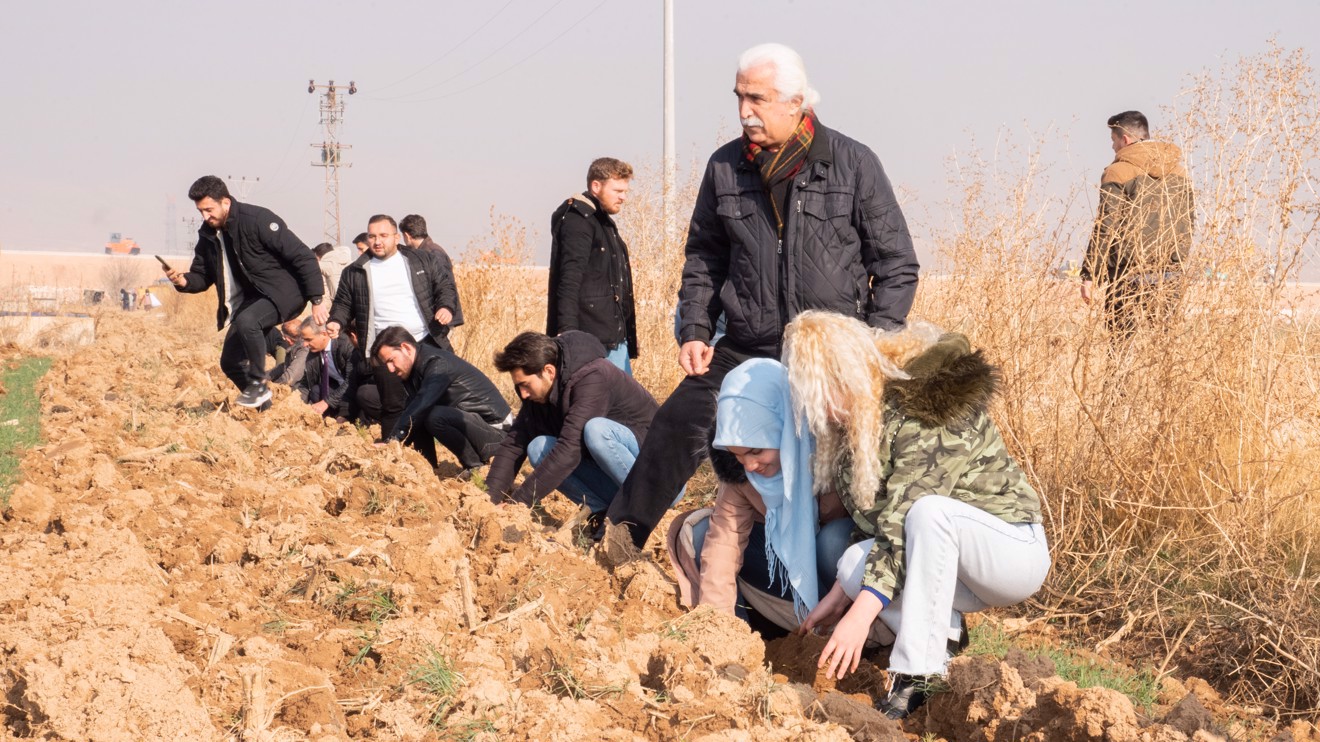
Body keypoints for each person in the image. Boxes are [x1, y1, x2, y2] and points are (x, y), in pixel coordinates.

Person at [603, 43, 920, 553]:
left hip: (828, 353)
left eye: (758, 99)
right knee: (679, 420)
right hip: (745, 344)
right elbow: (705, 256)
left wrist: (870, 347)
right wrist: (696, 329)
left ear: (796, 102)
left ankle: (851, 567)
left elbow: (896, 263)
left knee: (835, 466)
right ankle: (619, 540)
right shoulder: (725, 167)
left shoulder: (853, 164)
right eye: (739, 97)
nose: (745, 111)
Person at [777, 311, 1049, 720]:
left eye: (823, 393)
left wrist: (860, 615)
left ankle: (917, 673)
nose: (824, 411)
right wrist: (840, 595)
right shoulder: (862, 419)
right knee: (850, 563)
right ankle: (946, 634)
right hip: (948, 559)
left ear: (848, 374)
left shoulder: (924, 407)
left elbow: (908, 515)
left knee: (928, 513)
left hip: (1010, 552)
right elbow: (879, 522)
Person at [666, 377, 856, 636]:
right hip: (784, 573)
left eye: (756, 451)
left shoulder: (834, 449)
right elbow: (725, 540)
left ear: (782, 430)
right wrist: (718, 628)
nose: (750, 465)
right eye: (738, 455)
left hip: (843, 580)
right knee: (699, 534)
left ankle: (851, 627)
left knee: (833, 541)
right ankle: (749, 633)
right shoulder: (740, 474)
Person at [165, 175, 327, 408]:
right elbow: (202, 275)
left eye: (209, 210)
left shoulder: (258, 220)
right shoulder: (208, 234)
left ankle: (259, 384)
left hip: (285, 292)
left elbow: (303, 256)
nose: (205, 216)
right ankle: (264, 408)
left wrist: (317, 299)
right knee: (230, 362)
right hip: (252, 300)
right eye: (201, 211)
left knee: (247, 322)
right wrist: (183, 281)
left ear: (225, 202)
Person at [485, 331, 658, 523]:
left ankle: (640, 508)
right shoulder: (539, 394)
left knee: (596, 431)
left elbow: (569, 450)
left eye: (525, 385)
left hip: (654, 475)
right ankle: (602, 513)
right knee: (538, 447)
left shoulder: (593, 377)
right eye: (518, 386)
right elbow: (514, 444)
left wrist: (517, 505)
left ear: (549, 371)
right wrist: (487, 501)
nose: (523, 393)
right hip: (615, 477)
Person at [327, 214, 460, 438]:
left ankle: (433, 454)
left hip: (424, 342)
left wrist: (446, 307)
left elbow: (445, 286)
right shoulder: (355, 271)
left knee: (434, 399)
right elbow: (342, 303)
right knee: (392, 405)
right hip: (384, 349)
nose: (377, 241)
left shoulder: (421, 260)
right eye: (372, 236)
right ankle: (393, 452)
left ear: (396, 237)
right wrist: (336, 321)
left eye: (383, 235)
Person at [1081, 110, 1194, 338]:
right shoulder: (1180, 172)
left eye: (1113, 140)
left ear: (1125, 139)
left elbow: (1106, 226)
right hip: (1169, 274)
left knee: (1120, 346)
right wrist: (1177, 261)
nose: (1113, 147)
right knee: (1163, 348)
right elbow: (1188, 223)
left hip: (1127, 274)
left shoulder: (1117, 172)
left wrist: (1090, 275)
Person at [371, 326, 511, 479]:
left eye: (391, 360)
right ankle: (428, 468)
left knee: (432, 415)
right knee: (418, 416)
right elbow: (413, 418)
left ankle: (475, 467)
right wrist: (395, 448)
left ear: (406, 348)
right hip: (479, 429)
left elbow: (423, 405)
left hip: (500, 436)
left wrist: (394, 440)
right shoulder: (413, 372)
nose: (390, 369)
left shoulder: (437, 364)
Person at [546, 158, 638, 374]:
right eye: (617, 191)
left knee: (625, 395)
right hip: (589, 342)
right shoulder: (579, 220)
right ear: (596, 186)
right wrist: (568, 334)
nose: (623, 197)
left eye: (625, 191)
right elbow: (569, 280)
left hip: (613, 339)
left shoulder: (601, 221)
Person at [399, 213, 465, 331]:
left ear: (407, 235)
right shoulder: (427, 251)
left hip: (442, 316)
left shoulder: (433, 254)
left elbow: (446, 285)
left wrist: (445, 308)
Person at [292, 317, 360, 421]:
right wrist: (296, 404)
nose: (305, 344)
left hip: (354, 388)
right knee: (316, 391)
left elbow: (351, 381)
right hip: (338, 389)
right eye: (304, 340)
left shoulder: (345, 344)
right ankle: (330, 417)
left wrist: (326, 402)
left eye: (308, 339)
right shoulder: (313, 354)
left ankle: (345, 417)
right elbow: (306, 383)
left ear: (324, 334)